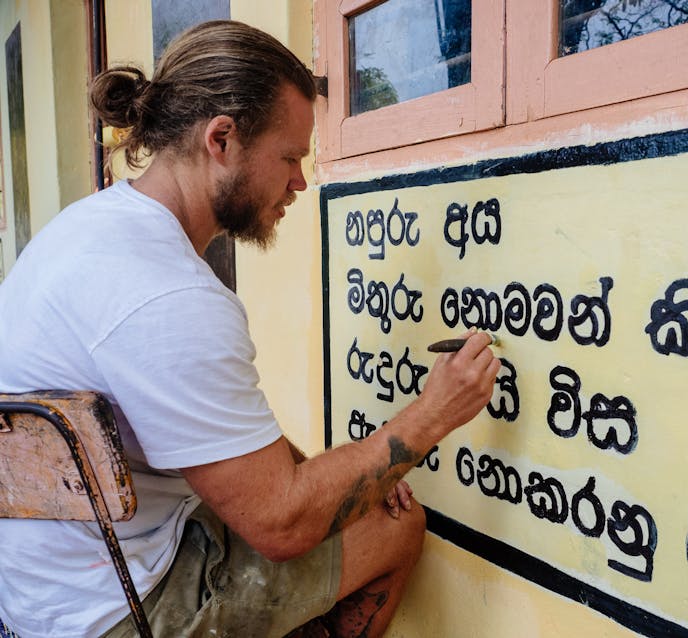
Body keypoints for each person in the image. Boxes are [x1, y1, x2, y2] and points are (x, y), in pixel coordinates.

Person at [0, 20, 500, 638]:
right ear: (222, 139)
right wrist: (432, 415)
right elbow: (281, 526)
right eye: (289, 157)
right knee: (394, 529)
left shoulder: (84, 229)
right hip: (114, 612)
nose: (300, 182)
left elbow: (224, 442)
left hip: (35, 593)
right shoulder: (172, 296)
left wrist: (347, 478)